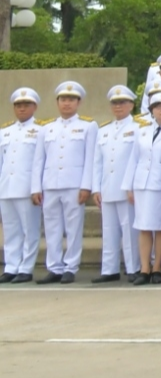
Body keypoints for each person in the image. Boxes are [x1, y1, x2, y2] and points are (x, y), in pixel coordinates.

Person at [38, 80, 97, 284]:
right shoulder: (46, 128)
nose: (67, 103)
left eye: (71, 99)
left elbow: (90, 159)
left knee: (73, 228)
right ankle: (54, 267)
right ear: (57, 102)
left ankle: (71, 267)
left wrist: (86, 186)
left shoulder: (88, 126)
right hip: (50, 184)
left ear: (78, 103)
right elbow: (39, 160)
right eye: (63, 99)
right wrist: (36, 186)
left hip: (74, 184)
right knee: (52, 228)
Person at [93, 87, 142, 283]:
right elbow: (97, 162)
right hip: (107, 187)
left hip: (126, 188)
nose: (119, 106)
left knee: (130, 230)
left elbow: (137, 160)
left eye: (123, 102)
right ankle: (109, 268)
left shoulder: (138, 128)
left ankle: (133, 267)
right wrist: (95, 188)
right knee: (109, 230)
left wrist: (132, 186)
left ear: (131, 105)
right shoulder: (103, 130)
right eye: (115, 103)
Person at [133, 92, 161, 284]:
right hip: (142, 183)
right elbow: (134, 159)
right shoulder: (142, 130)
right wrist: (129, 186)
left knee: (160, 227)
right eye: (158, 106)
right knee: (143, 227)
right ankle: (144, 268)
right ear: (151, 110)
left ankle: (157, 266)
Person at [1, 89, 45, 283]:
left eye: (26, 105)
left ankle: (26, 268)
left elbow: (39, 162)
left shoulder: (41, 130)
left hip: (27, 187)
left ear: (34, 107)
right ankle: (11, 266)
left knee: (30, 229)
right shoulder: (5, 131)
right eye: (18, 105)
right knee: (11, 229)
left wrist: (36, 188)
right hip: (6, 187)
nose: (22, 108)